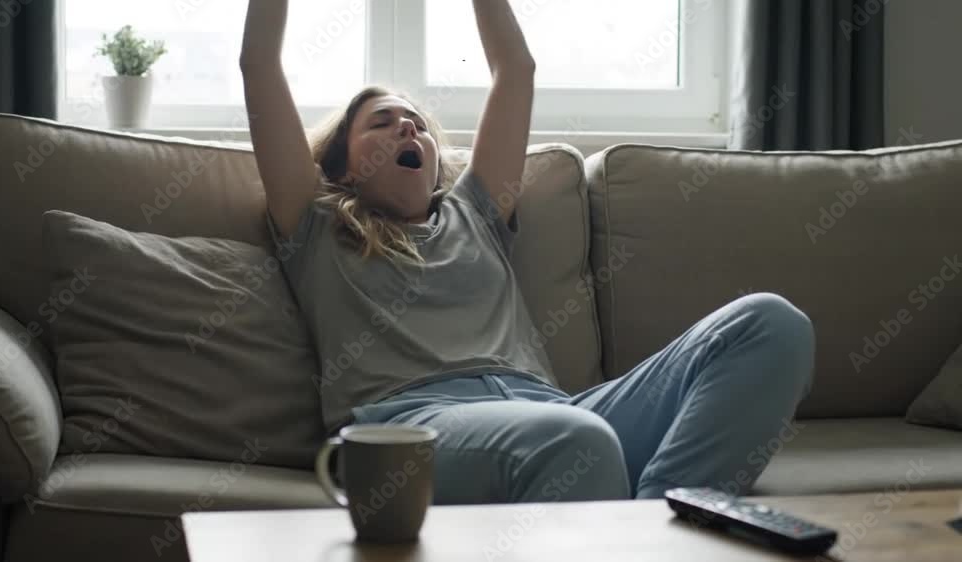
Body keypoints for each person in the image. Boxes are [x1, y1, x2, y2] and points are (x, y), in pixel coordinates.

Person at [240, 0, 816, 504]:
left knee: (770, 325)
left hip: (555, 414)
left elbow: (516, 70)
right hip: (408, 431)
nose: (408, 130)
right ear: (342, 167)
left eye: (417, 125)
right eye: (382, 124)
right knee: (577, 442)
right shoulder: (317, 229)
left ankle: (654, 525)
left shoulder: (475, 214)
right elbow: (259, 64)